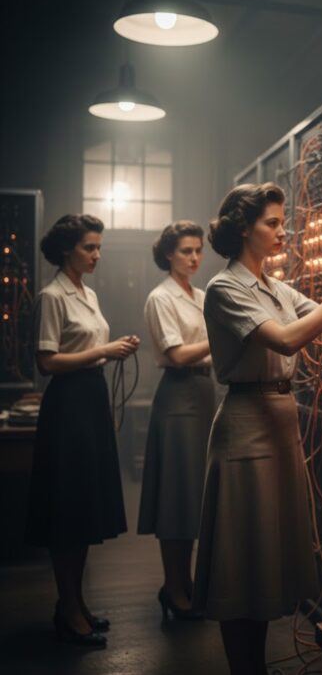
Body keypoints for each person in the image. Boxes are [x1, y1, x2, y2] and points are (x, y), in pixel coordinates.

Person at [193, 183, 322, 675]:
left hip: (279, 418)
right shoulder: (225, 288)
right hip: (246, 421)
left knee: (266, 558)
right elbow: (288, 339)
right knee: (240, 560)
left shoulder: (277, 287)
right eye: (273, 222)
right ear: (244, 226)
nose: (283, 230)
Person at [26, 213, 140, 647]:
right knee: (68, 511)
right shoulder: (51, 295)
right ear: (65, 250)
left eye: (98, 247)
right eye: (88, 247)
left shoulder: (87, 293)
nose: (96, 254)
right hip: (68, 405)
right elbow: (46, 361)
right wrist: (104, 350)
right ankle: (68, 608)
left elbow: (91, 350)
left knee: (84, 507)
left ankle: (75, 603)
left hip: (91, 399)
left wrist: (112, 352)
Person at [137, 221, 213, 620]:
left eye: (198, 249)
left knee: (193, 497)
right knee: (175, 496)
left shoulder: (201, 295)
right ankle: (173, 584)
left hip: (204, 394)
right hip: (179, 394)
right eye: (186, 251)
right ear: (168, 254)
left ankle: (186, 583)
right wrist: (222, 338)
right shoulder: (160, 297)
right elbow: (179, 355)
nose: (195, 257)